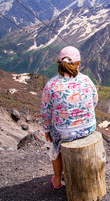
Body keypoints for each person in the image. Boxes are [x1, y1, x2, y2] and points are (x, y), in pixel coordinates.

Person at [41, 46, 98, 188]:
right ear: (78, 64)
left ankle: (58, 181)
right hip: (89, 127)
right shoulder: (86, 80)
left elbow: (46, 111)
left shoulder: (51, 84)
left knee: (56, 148)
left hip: (64, 132)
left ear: (59, 64)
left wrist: (47, 130)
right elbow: (94, 100)